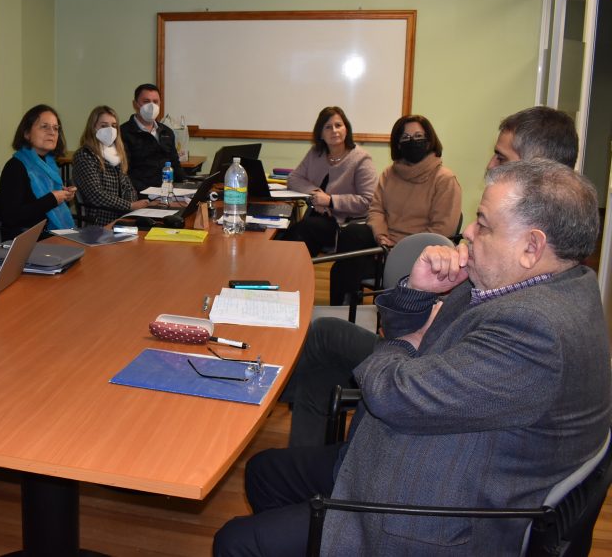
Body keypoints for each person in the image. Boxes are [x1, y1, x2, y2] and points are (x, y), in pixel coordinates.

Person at [216, 158, 610, 556]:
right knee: (264, 472)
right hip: (431, 447)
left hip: (432, 513)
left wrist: (408, 342)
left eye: (484, 224)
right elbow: (414, 344)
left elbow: (392, 395)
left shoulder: (535, 329)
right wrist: (418, 294)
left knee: (236, 542)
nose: (468, 232)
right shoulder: (535, 283)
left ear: (532, 246)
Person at [282, 106, 579, 447]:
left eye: (500, 156)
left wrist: (410, 338)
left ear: (537, 169)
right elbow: (377, 213)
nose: (489, 166)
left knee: (271, 462)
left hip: (421, 369)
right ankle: (287, 415)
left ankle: (270, 396)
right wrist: (411, 294)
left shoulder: (528, 308)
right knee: (326, 331)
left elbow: (415, 387)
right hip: (421, 340)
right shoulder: (528, 257)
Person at [329, 114, 461, 305]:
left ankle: (371, 310)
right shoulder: (389, 174)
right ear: (398, 144)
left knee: (348, 268)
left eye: (418, 136)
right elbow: (376, 210)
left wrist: (400, 250)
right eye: (405, 137)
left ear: (429, 140)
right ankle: (344, 312)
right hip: (383, 246)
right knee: (350, 239)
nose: (412, 141)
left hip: (417, 253)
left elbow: (442, 230)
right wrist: (382, 237)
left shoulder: (445, 179)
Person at [280, 106, 377, 256]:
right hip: (317, 217)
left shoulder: (361, 159)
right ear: (320, 134)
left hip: (345, 223)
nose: (334, 130)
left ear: (346, 129)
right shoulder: (316, 153)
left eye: (338, 125)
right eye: (328, 127)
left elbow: (368, 201)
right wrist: (316, 194)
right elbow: (294, 178)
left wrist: (330, 201)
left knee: (301, 233)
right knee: (287, 234)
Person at [0, 104, 76, 240]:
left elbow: (44, 203)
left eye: (55, 128)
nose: (52, 132)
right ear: (27, 133)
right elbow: (11, 218)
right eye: (44, 126)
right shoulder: (15, 167)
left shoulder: (49, 163)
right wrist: (52, 199)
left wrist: (64, 195)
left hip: (49, 235)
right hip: (27, 241)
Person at [72, 105, 150, 226]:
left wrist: (132, 209)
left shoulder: (116, 154)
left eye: (114, 126)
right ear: (93, 128)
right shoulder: (84, 155)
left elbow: (128, 188)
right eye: (104, 126)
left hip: (122, 218)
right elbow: (96, 194)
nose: (110, 130)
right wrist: (130, 206)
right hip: (99, 223)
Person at [120, 83, 183, 192]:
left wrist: (186, 187)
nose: (152, 106)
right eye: (146, 101)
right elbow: (124, 173)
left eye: (155, 101)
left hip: (168, 191)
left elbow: (175, 164)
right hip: (140, 194)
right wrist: (150, 192)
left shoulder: (167, 132)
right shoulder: (123, 133)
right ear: (135, 104)